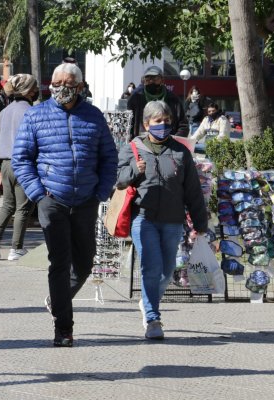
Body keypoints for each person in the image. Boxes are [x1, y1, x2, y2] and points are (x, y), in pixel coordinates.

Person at [12, 63, 118, 347]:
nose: (61, 87)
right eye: (56, 82)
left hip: (86, 200)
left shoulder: (93, 116)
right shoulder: (35, 115)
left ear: (80, 87)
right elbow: (21, 159)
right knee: (59, 262)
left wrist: (101, 191)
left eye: (67, 83)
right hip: (52, 199)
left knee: (84, 263)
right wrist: (38, 194)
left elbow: (109, 157)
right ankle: (64, 328)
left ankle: (56, 300)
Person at [116, 100, 207, 340]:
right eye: (158, 121)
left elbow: (193, 191)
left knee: (167, 271)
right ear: (146, 124)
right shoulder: (132, 149)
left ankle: (147, 300)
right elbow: (118, 180)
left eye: (167, 121)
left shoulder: (180, 151)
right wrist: (136, 170)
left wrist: (200, 224)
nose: (163, 125)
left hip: (172, 220)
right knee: (151, 266)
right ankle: (153, 318)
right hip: (143, 218)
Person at [0, 74, 39, 261]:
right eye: (34, 88)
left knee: (7, 205)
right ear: (28, 91)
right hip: (25, 163)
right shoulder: (32, 112)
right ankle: (16, 247)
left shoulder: (4, 112)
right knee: (23, 207)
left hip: (6, 162)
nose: (36, 92)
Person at [127, 65, 188, 138]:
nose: (151, 81)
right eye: (148, 79)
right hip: (141, 143)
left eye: (155, 78)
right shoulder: (135, 98)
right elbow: (128, 123)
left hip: (168, 143)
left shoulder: (173, 99)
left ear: (162, 80)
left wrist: (174, 141)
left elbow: (183, 126)